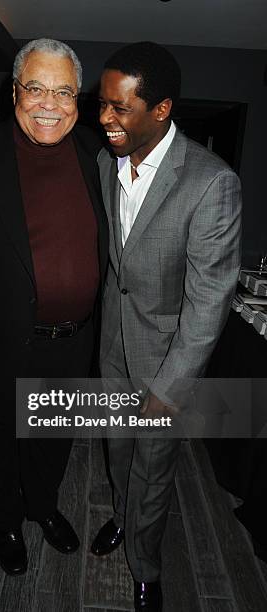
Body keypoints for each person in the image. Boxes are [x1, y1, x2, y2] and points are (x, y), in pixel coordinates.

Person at [0, 38, 108, 576]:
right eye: (36, 88)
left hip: (74, 341)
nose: (48, 103)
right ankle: (5, 520)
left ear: (78, 101)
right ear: (14, 93)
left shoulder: (98, 155)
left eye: (63, 92)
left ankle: (43, 506)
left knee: (52, 437)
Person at [90, 42, 241, 611]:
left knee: (154, 470)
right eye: (102, 104)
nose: (104, 118)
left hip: (164, 363)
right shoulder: (107, 162)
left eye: (118, 108)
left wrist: (170, 387)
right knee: (119, 453)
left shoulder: (210, 182)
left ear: (161, 110)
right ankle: (123, 520)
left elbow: (210, 302)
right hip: (111, 347)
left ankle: (147, 566)